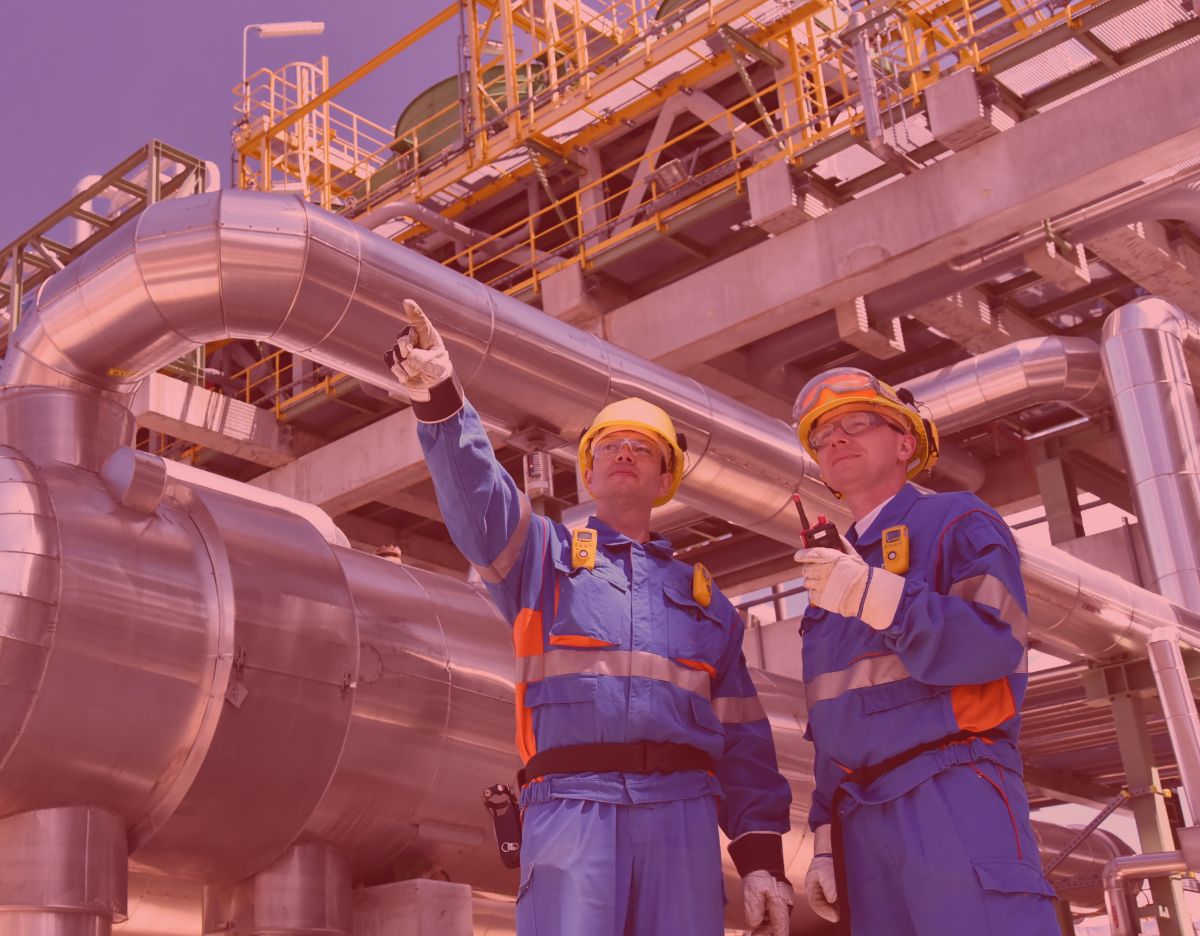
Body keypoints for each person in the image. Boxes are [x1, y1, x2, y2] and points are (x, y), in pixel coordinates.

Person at [386, 300, 794, 936]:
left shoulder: (707, 605)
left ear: (665, 477)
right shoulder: (541, 560)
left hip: (682, 817)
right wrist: (441, 403)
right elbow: (480, 500)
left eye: (642, 448)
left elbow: (744, 741)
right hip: (571, 808)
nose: (624, 453)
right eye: (609, 446)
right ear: (588, 471)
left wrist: (762, 857)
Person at [791, 367, 1058, 935]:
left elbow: (993, 644)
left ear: (905, 444)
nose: (836, 439)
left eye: (856, 423)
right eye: (823, 435)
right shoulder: (831, 574)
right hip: (859, 816)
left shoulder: (957, 519)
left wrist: (878, 596)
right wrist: (823, 833)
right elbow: (833, 717)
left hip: (953, 784)